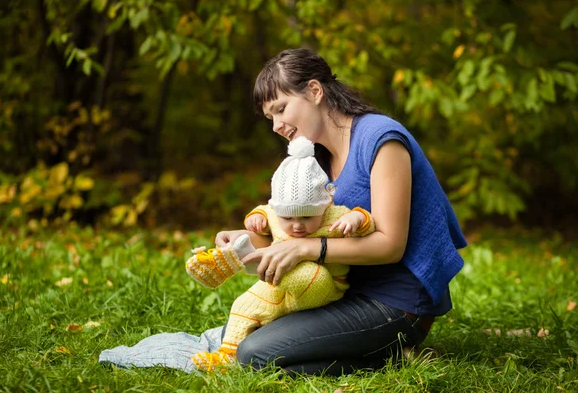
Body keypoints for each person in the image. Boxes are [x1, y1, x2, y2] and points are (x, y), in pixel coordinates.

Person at [212, 48, 467, 376]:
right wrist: (247, 240)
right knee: (250, 332)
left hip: (397, 305)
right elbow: (300, 232)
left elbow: (390, 245)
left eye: (281, 109)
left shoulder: (380, 140)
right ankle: (378, 352)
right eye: (270, 117)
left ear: (315, 91)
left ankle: (394, 355)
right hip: (343, 292)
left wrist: (308, 248)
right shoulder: (315, 160)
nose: (276, 125)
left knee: (254, 355)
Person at [185, 136, 375, 371]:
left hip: (322, 287)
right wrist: (256, 218)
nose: (297, 226)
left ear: (325, 206)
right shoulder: (274, 214)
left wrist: (357, 218)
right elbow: (263, 213)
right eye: (288, 218)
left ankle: (242, 261)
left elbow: (369, 224)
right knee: (243, 305)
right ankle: (227, 357)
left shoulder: (334, 216)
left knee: (308, 272)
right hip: (279, 289)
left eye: (307, 217)